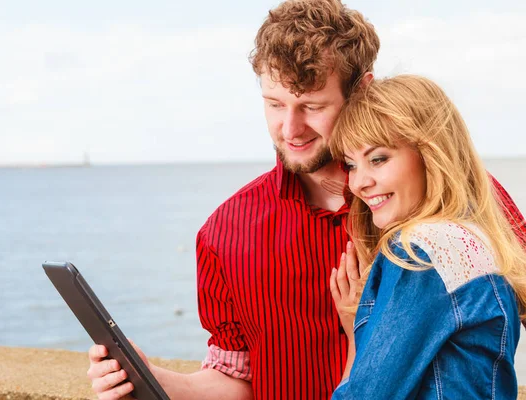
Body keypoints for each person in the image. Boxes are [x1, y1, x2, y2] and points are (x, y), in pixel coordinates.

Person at [86, 1, 526, 399]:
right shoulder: (224, 230)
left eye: (312, 106)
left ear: (361, 90)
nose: (290, 129)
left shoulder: (453, 200)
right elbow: (235, 376)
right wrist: (152, 380)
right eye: (275, 104)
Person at [328, 75, 525, 399]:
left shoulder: (420, 254)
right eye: (351, 164)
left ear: (430, 153)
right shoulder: (477, 239)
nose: (358, 183)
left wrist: (354, 334)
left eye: (378, 159)